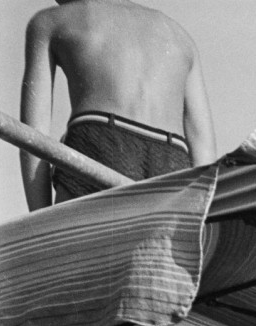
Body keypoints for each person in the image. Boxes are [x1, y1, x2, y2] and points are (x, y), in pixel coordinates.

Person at [20, 0, 215, 209]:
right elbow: (204, 150)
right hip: (173, 156)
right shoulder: (179, 36)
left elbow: (32, 138)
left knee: (81, 241)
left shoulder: (49, 21)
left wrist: (40, 225)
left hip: (99, 141)